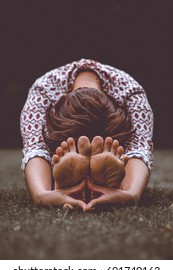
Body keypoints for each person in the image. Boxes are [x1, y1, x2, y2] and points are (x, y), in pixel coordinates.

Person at [20, 58, 154, 212]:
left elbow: (34, 148)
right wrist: (131, 193)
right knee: (60, 151)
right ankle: (110, 178)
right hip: (76, 152)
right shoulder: (43, 90)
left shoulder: (132, 93)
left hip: (105, 151)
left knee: (118, 150)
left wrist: (42, 194)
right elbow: (140, 148)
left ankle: (77, 175)